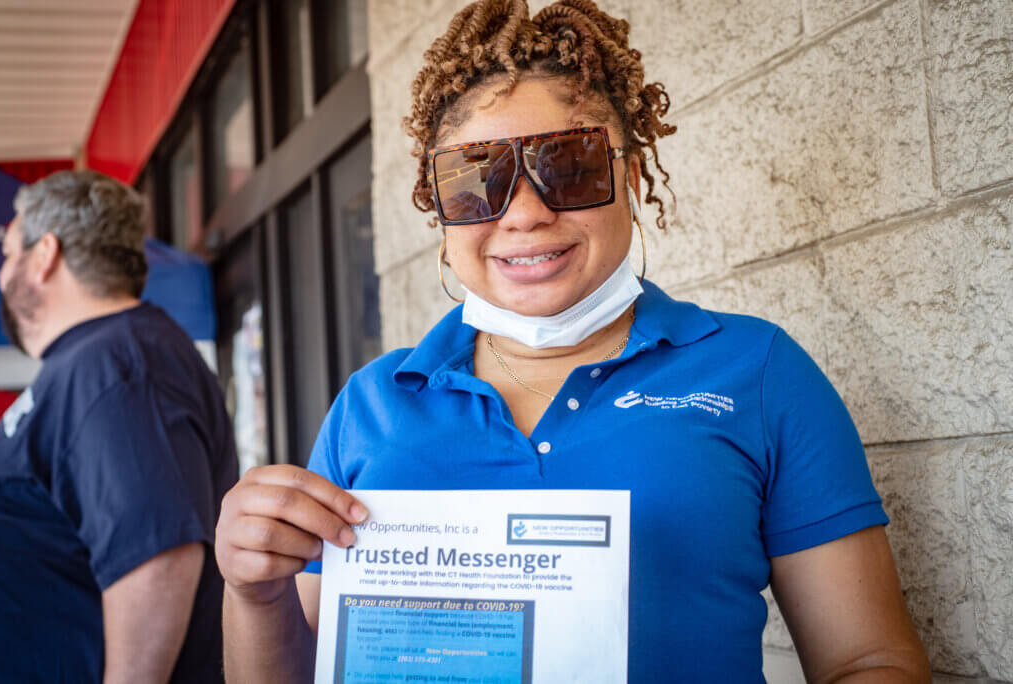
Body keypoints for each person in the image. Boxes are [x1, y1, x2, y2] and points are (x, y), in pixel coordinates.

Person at [215, 1, 931, 682]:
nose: (525, 212)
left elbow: (869, 661)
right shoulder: (369, 406)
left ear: (633, 174)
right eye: (477, 180)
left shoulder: (759, 372)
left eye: (570, 166)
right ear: (440, 210)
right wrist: (254, 593)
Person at [0, 170, 238, 682]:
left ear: (44, 256)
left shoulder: (118, 361)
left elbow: (157, 556)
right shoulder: (103, 359)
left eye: (10, 253)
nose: (2, 272)